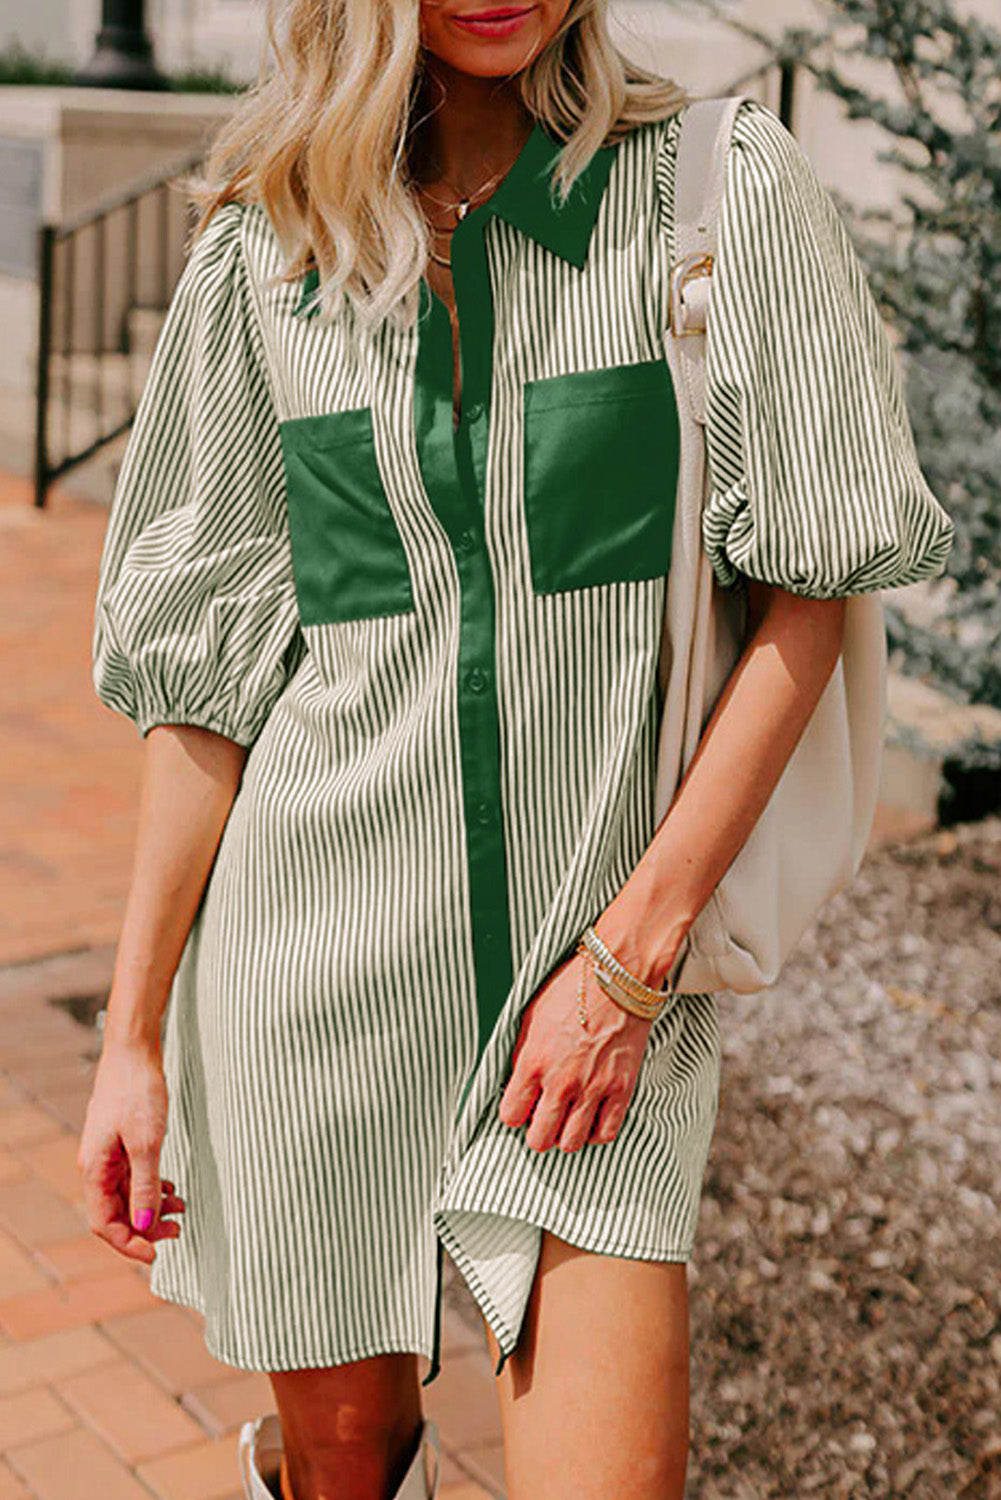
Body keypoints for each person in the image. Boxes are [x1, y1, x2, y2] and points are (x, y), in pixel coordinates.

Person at [77, 1, 955, 1497]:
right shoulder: (267, 254)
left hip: (602, 993)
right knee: (344, 1472)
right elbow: (208, 688)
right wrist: (133, 1038)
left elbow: (806, 595)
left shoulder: (714, 199)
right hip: (310, 980)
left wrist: (627, 967)